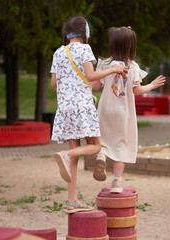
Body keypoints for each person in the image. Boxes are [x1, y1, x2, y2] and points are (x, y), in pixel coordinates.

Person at [50, 16, 128, 213]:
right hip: (82, 107)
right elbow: (90, 76)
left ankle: (72, 201)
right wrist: (114, 68)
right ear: (84, 33)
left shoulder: (59, 52)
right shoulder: (85, 49)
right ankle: (65, 155)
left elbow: (53, 84)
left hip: (64, 108)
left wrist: (69, 87)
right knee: (95, 146)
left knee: (74, 157)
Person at [92, 26, 166, 193]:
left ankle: (101, 156)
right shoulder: (133, 67)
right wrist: (152, 85)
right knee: (122, 144)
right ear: (131, 46)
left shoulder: (104, 63)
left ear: (112, 44)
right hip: (124, 113)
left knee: (103, 139)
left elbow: (95, 85)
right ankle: (116, 184)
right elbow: (137, 91)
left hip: (105, 109)